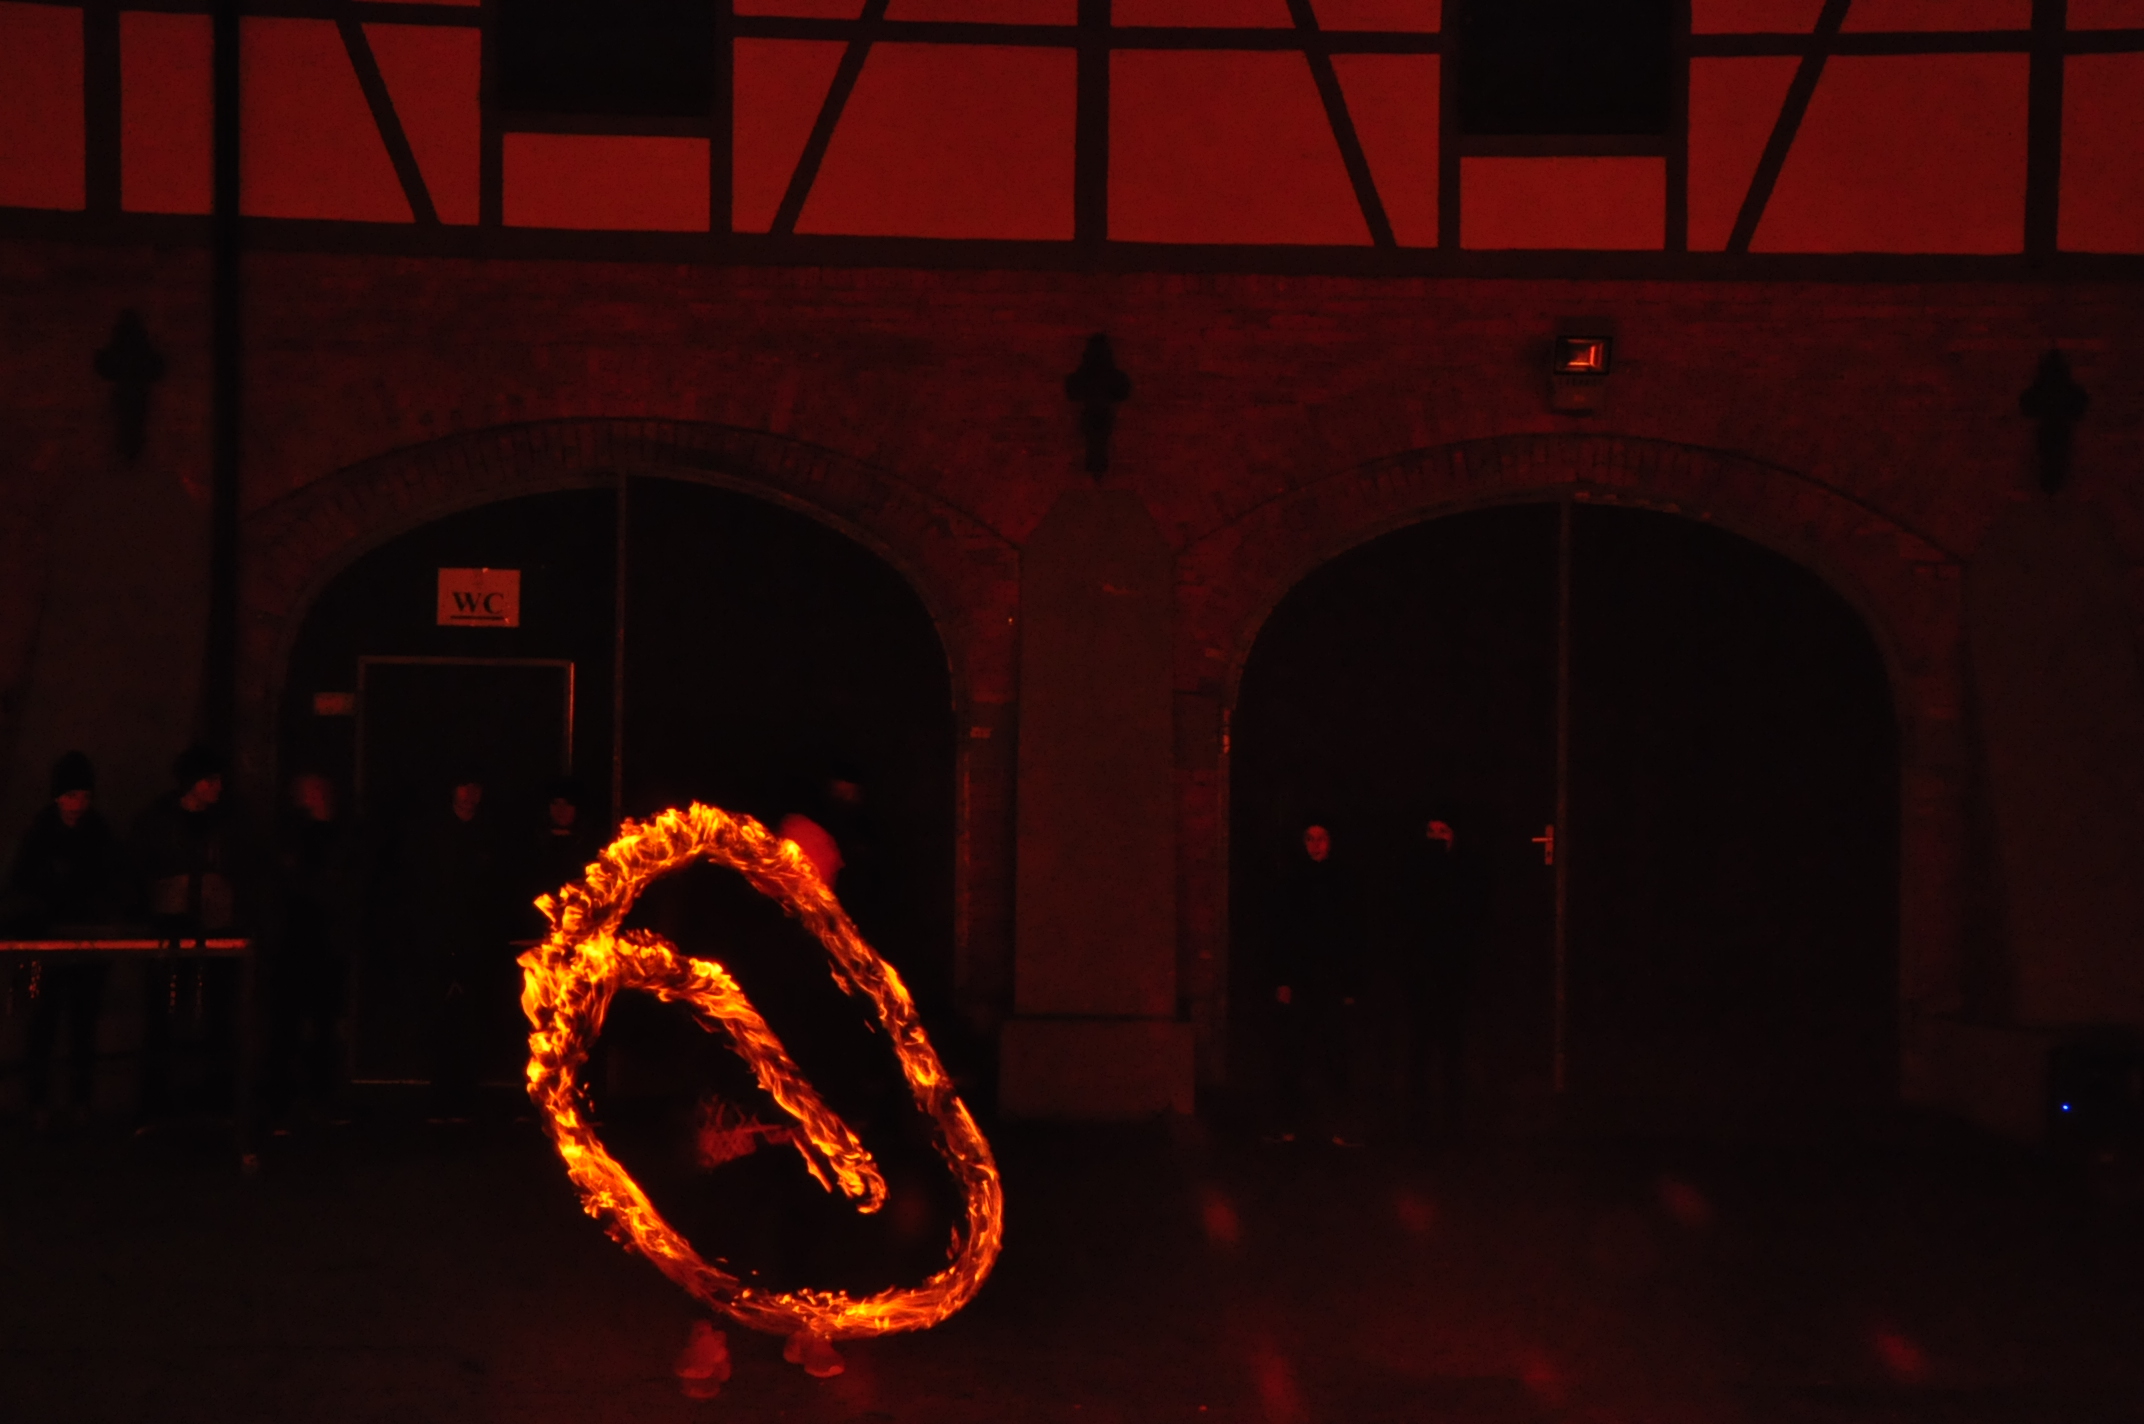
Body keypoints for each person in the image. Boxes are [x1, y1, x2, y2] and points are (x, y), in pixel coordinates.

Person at [6, 751, 123, 1132]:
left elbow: (112, 883)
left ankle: (79, 1102)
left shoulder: (97, 834)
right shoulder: (41, 835)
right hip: (50, 943)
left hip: (85, 943)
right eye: (72, 795)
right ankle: (41, 1102)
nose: (78, 804)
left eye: (84, 796)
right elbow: (22, 885)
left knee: (82, 1026)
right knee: (45, 1024)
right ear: (58, 796)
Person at [131, 744, 247, 1122]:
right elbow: (139, 870)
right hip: (173, 927)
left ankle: (214, 1096)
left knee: (219, 1012)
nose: (218, 787)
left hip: (218, 929)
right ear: (193, 782)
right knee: (164, 1013)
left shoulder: (226, 821)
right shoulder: (160, 821)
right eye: (210, 780)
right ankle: (158, 1102)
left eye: (218, 780)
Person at [403, 770, 508, 1123]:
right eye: (464, 785)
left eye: (475, 786)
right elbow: (420, 887)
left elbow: (496, 891)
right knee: (438, 1017)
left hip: (477, 940)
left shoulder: (491, 834)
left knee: (473, 1019)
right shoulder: (431, 833)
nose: (469, 793)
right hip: (437, 937)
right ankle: (440, 1094)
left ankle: (466, 1095)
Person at [264, 772, 362, 1128]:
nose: (316, 797)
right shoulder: (297, 837)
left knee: (321, 1023)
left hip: (321, 944)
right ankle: (287, 1100)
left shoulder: (335, 836)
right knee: (292, 1024)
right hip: (298, 943)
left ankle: (315, 1096)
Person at [1267, 820, 1365, 1145]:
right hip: (1301, 978)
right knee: (1293, 1053)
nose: (1315, 845)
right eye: (1309, 838)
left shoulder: (1344, 880)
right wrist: (1283, 979)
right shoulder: (1292, 880)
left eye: (1321, 838)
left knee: (1335, 1053)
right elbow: (1281, 932)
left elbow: (1354, 934)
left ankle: (1338, 1125)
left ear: (1332, 841)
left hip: (1331, 978)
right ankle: (1289, 1124)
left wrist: (1350, 984)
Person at [1398, 815, 1488, 1141]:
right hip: (1422, 969)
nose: (1436, 838)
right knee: (1419, 1041)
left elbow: (1472, 920)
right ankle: (1418, 1115)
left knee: (1452, 1041)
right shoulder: (1413, 873)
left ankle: (1454, 1116)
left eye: (1443, 831)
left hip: (1454, 968)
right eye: (1431, 832)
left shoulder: (1466, 871)